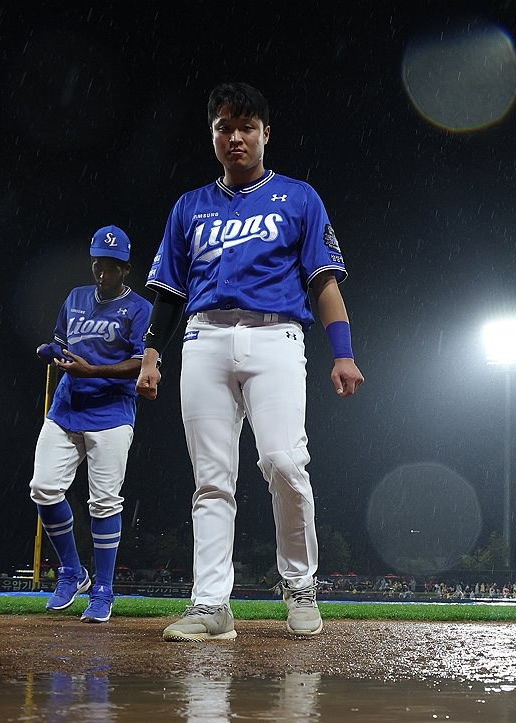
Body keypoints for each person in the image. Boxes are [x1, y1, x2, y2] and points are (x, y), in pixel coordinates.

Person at [137, 82, 364, 642]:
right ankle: (211, 606)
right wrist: (149, 354)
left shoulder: (298, 197)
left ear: (266, 134)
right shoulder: (190, 206)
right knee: (211, 481)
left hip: (275, 337)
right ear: (212, 135)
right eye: (223, 127)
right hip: (204, 338)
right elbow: (168, 291)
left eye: (246, 127)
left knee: (284, 463)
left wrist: (344, 353)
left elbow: (324, 282)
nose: (234, 136)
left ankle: (300, 585)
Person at [29, 225, 152, 623]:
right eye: (99, 264)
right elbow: (62, 341)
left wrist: (92, 370)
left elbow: (141, 362)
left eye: (112, 267)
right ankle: (71, 571)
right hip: (66, 408)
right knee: (44, 489)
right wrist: (52, 351)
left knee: (103, 502)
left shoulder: (139, 309)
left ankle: (103, 589)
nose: (103, 273)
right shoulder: (76, 297)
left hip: (112, 414)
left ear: (126, 269)